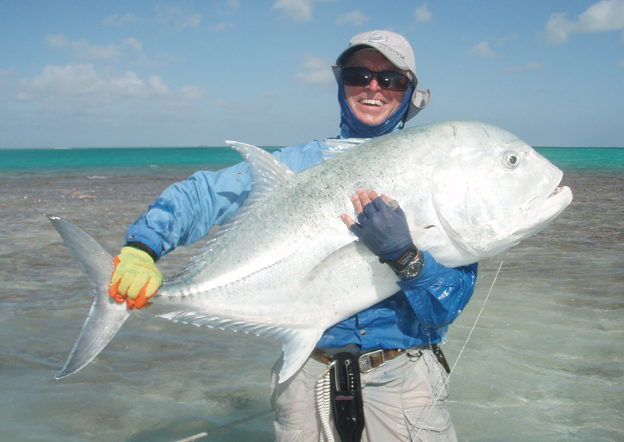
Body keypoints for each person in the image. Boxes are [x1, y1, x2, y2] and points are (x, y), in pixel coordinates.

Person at [108, 30, 478, 442]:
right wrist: (141, 248)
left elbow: (446, 305)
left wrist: (406, 255)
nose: (373, 88)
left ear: (410, 93)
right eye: (359, 75)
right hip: (305, 378)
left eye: (391, 80)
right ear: (341, 84)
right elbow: (199, 196)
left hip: (403, 384)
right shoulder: (297, 165)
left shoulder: (438, 171)